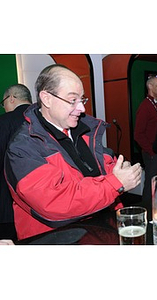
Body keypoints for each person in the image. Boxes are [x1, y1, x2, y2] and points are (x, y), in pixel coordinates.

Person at [4, 64, 142, 240]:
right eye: (72, 100)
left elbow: (103, 168)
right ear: (46, 98)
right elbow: (54, 202)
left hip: (100, 232)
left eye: (82, 100)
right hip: (55, 240)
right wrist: (116, 182)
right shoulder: (23, 148)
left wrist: (120, 170)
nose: (82, 109)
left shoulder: (82, 130)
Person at [0, 84, 32, 240]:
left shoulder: (4, 122)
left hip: (8, 207)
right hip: (43, 206)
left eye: (3, 102)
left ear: (11, 98)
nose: (4, 106)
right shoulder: (45, 119)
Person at [134, 76, 157, 215]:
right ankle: (146, 211)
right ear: (150, 87)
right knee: (150, 184)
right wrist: (151, 151)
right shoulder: (145, 107)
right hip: (152, 153)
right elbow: (138, 134)